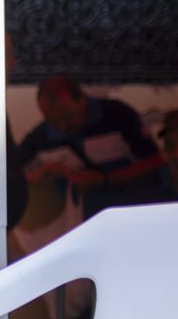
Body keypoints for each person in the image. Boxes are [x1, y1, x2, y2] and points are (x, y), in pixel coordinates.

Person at [17, 75, 160, 232]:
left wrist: (105, 180)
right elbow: (10, 173)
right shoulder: (41, 136)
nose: (63, 127)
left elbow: (155, 160)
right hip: (82, 226)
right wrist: (41, 174)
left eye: (68, 117)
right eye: (53, 122)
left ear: (82, 100)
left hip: (132, 214)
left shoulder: (117, 114)